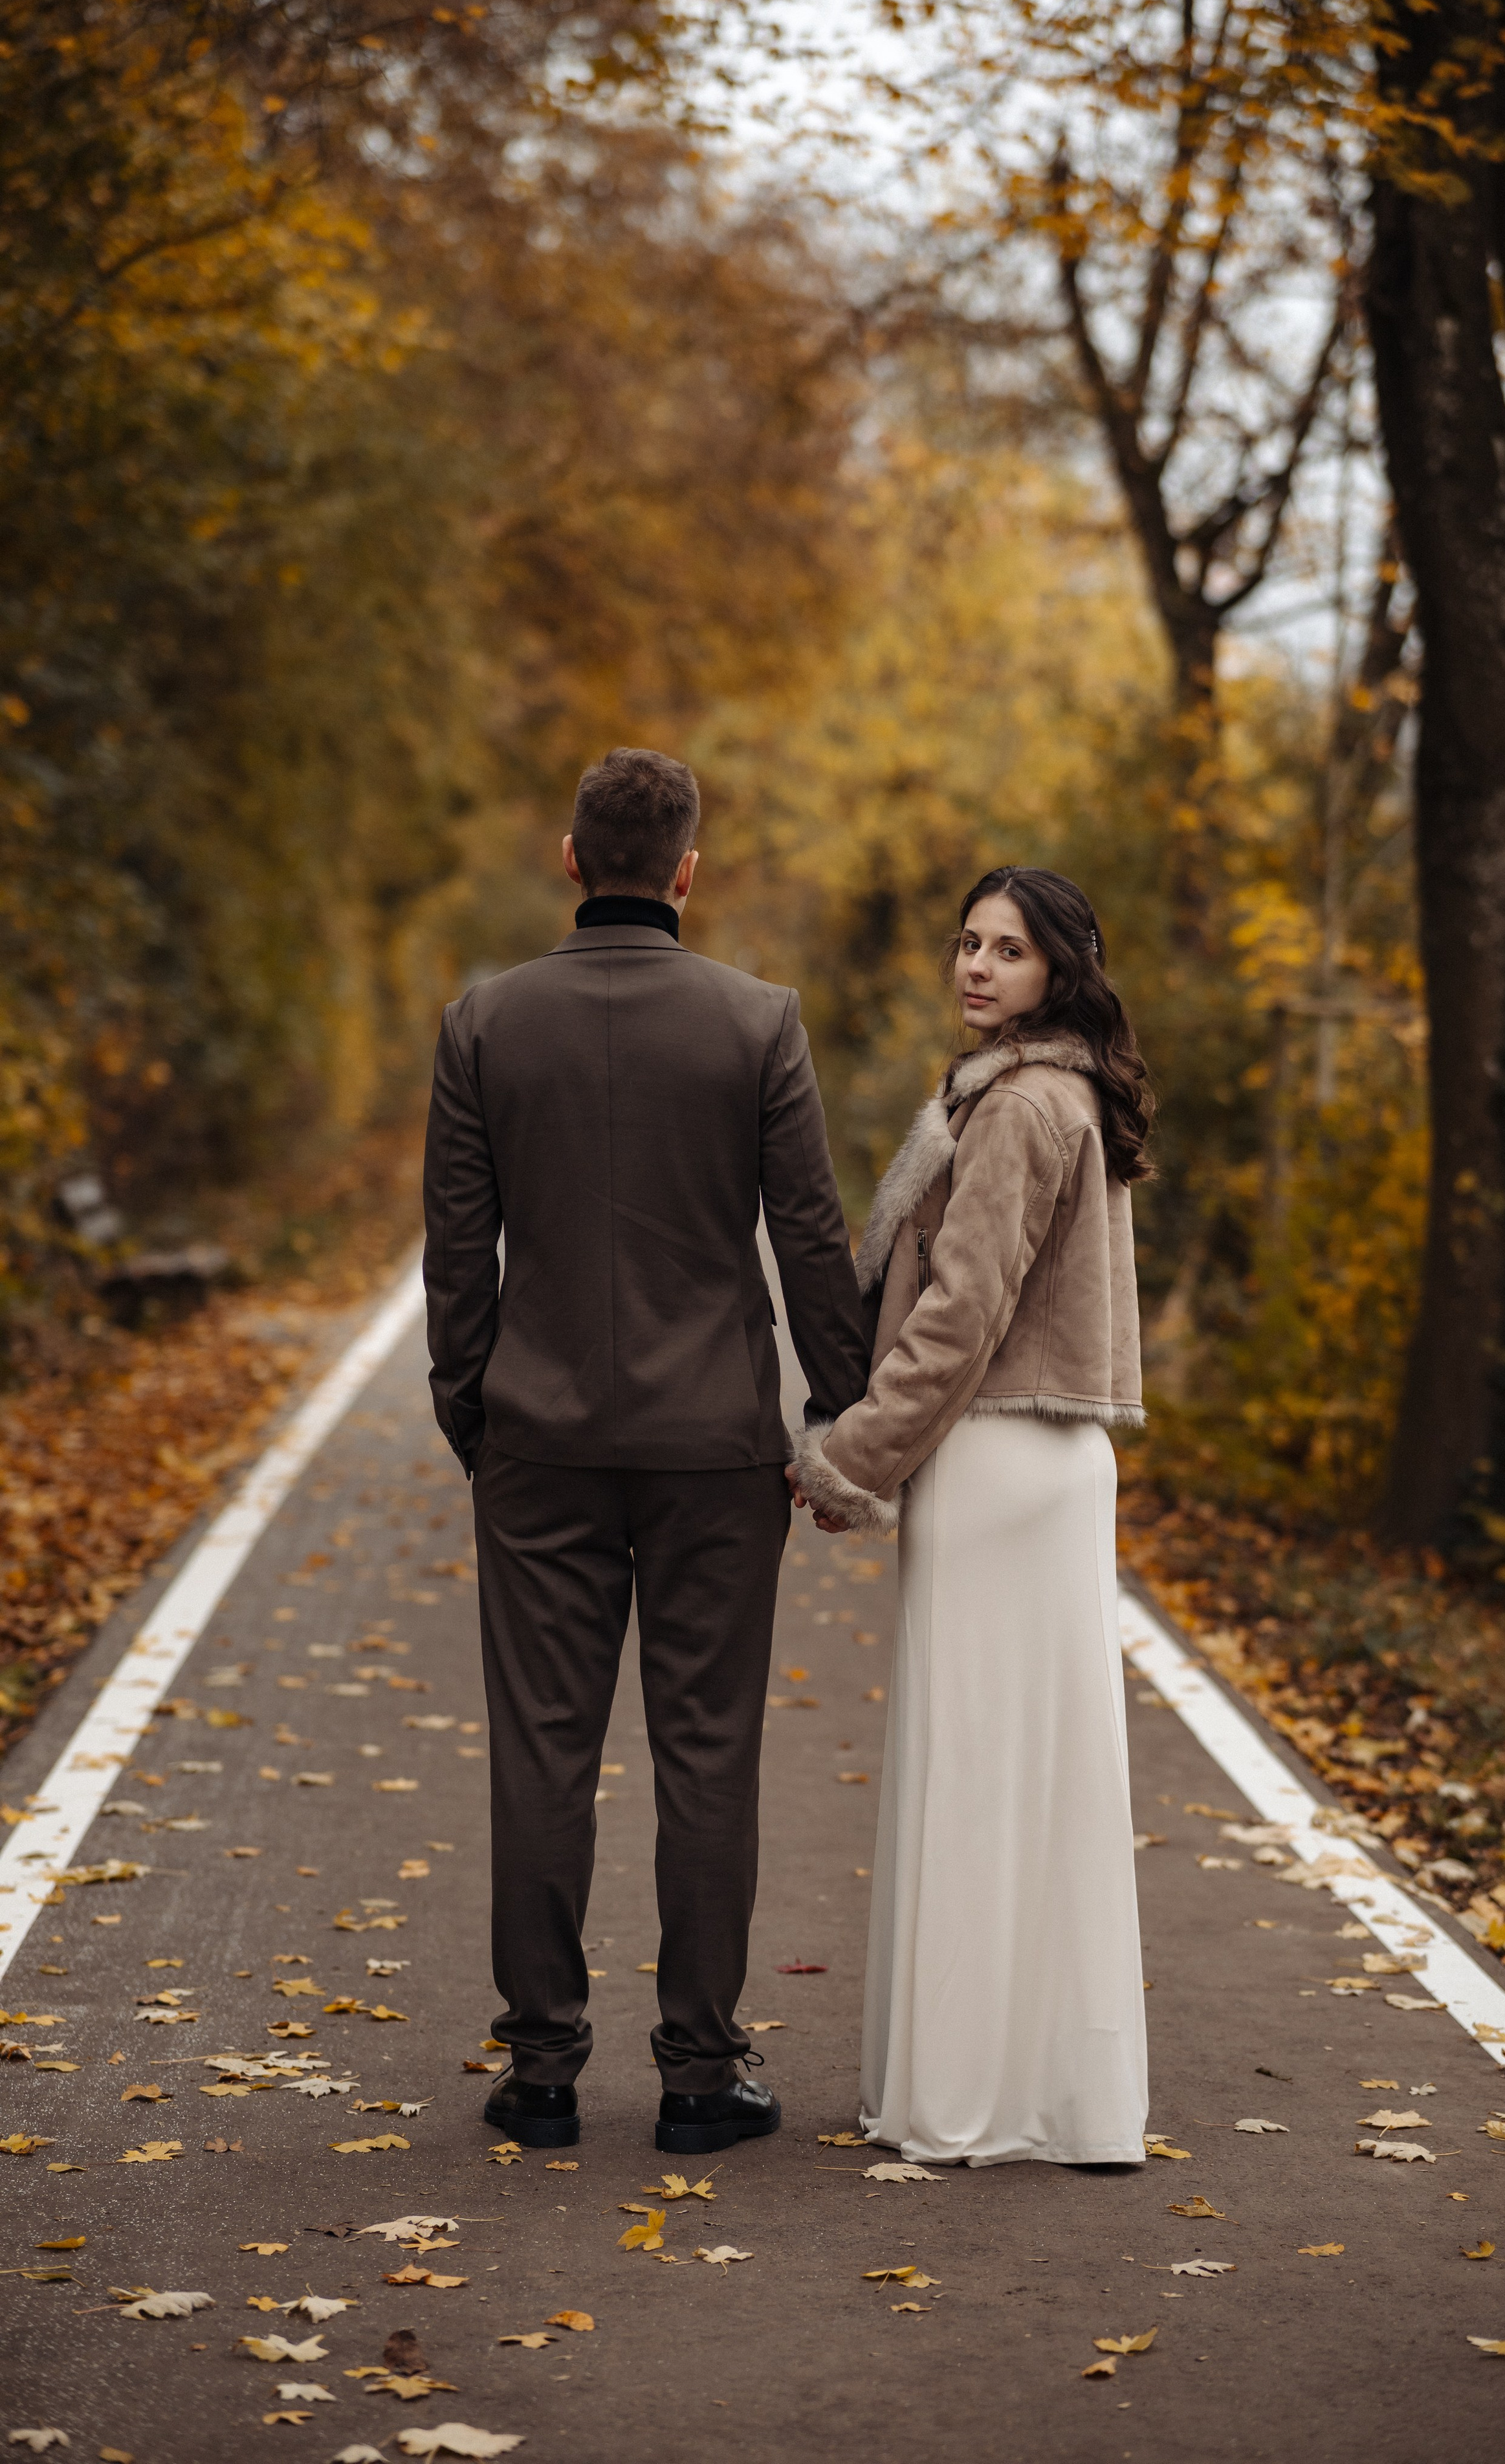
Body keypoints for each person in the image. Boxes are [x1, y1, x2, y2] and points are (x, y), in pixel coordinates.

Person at [423, 747, 868, 2156]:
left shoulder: (485, 1022)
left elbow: (457, 1250)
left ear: (570, 860)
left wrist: (473, 1413)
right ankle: (698, 2073)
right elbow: (807, 1236)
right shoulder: (757, 1024)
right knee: (706, 1754)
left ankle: (543, 2071)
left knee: (540, 1753)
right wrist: (836, 1411)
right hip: (713, 1450)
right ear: (686, 871)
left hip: (539, 1441)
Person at [787, 866, 1152, 2168]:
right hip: (1053, 1465)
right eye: (967, 943)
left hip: (993, 1458)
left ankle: (966, 2102)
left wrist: (853, 1457)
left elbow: (959, 1313)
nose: (976, 966)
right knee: (1040, 1785)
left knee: (979, 1778)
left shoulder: (1014, 1108)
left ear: (1059, 970)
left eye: (1008, 948)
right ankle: (1061, 2100)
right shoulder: (1074, 1096)